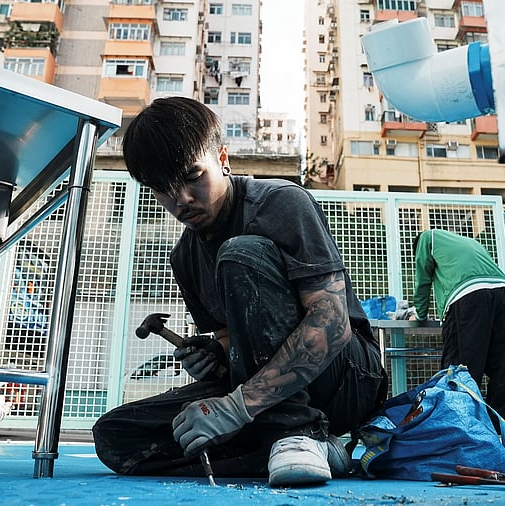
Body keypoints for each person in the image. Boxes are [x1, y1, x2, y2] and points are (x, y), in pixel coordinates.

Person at [92, 97, 387, 487]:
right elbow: (238, 352)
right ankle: (302, 448)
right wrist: (215, 358)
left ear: (223, 158)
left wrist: (237, 406)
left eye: (193, 176)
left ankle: (296, 434)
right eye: (162, 189)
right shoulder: (185, 257)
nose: (181, 199)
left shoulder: (280, 203)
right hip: (268, 392)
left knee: (240, 253)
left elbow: (330, 324)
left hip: (347, 379)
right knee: (118, 437)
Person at [412, 229, 505, 427]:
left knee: (460, 368)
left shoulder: (428, 238)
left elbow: (423, 280)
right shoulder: (468, 241)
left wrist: (420, 314)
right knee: (502, 369)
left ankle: (460, 430)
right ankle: (501, 433)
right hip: (503, 292)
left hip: (467, 296)